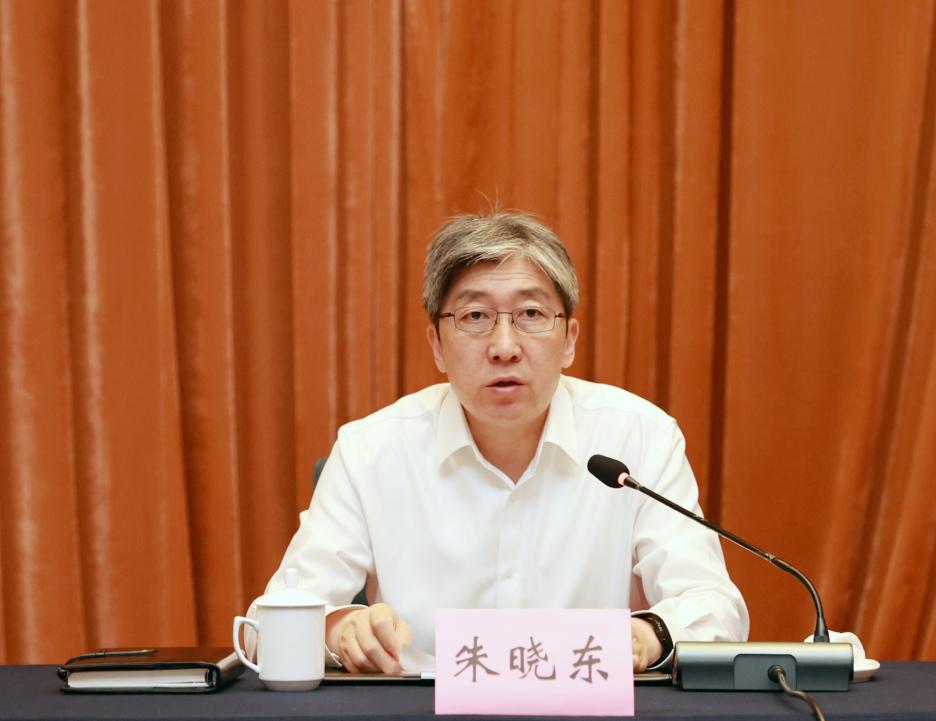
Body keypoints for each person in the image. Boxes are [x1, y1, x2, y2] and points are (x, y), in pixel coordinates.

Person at [255, 211, 748, 674]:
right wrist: (337, 629)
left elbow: (715, 608)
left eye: (531, 313)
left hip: (588, 715)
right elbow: (265, 628)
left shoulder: (640, 438)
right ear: (436, 345)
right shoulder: (370, 450)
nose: (505, 347)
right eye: (475, 317)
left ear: (569, 340)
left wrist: (648, 635)